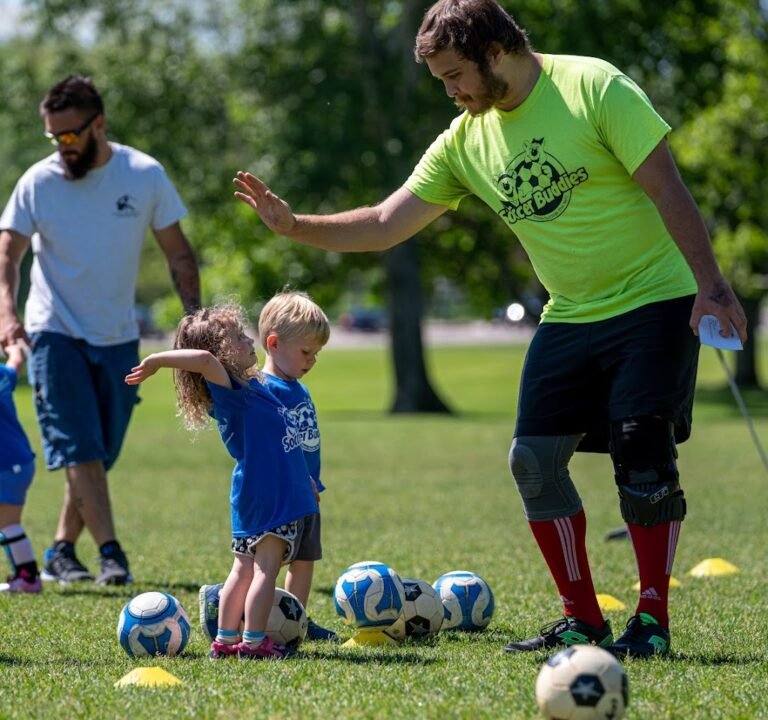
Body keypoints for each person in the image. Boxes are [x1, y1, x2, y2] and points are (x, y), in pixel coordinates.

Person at [232, 0, 748, 659]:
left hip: (654, 299)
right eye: (442, 81)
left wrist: (711, 282)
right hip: (571, 311)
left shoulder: (593, 85)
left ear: (495, 52)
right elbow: (387, 222)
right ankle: (583, 619)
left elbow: (665, 184)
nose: (451, 92)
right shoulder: (466, 139)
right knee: (533, 461)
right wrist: (295, 225)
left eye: (455, 76)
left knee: (642, 458)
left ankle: (650, 620)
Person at [0, 75, 200, 586]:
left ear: (99, 124)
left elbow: (178, 253)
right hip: (54, 333)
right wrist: (7, 313)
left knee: (98, 450)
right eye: (54, 137)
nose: (62, 146)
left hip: (117, 337)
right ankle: (112, 554)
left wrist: (193, 317)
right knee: (80, 448)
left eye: (70, 135)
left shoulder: (144, 174)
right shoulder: (37, 182)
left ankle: (62, 549)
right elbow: (9, 253)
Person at [125, 304, 319, 659]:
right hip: (270, 498)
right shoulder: (231, 391)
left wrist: (305, 480)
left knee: (243, 570)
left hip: (253, 495)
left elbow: (281, 448)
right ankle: (254, 641)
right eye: (240, 337)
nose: (249, 341)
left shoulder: (255, 387)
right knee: (265, 570)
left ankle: (225, 642)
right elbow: (201, 358)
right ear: (222, 352)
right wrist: (155, 360)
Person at [199, 289, 338, 642]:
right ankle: (250, 626)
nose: (312, 361)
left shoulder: (298, 388)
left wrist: (310, 481)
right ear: (274, 343)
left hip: (305, 493)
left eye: (317, 354)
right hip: (277, 497)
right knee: (265, 566)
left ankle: (296, 620)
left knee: (305, 561)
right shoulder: (257, 390)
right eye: (307, 352)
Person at [0, 343, 40, 593]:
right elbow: (15, 363)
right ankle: (24, 577)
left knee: (8, 523)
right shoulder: (2, 374)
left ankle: (28, 580)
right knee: (7, 523)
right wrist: (15, 350)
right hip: (19, 463)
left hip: (5, 465)